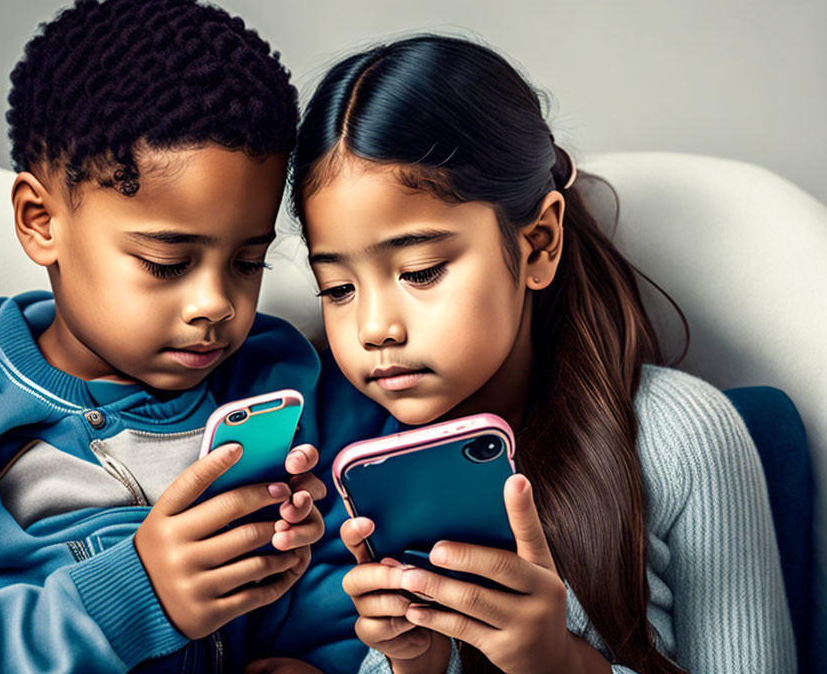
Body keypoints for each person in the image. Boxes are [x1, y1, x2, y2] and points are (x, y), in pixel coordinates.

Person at [282, 35, 797, 673]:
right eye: (337, 287)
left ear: (540, 244)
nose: (375, 328)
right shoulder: (372, 472)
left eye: (419, 271)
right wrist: (417, 662)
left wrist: (561, 662)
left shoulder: (680, 436)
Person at [0, 0, 327, 673]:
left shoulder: (276, 378)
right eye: (167, 263)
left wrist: (321, 659)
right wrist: (137, 595)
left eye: (247, 262)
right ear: (39, 220)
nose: (216, 304)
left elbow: (344, 580)